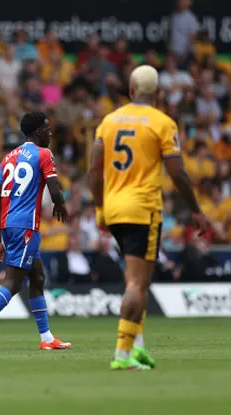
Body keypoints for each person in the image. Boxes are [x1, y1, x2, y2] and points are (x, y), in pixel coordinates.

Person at [88, 65, 209, 371]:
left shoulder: (108, 121)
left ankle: (138, 347)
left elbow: (93, 170)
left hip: (114, 208)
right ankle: (122, 354)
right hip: (142, 209)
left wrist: (100, 209)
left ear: (130, 89)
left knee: (137, 281)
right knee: (137, 283)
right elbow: (177, 172)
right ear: (158, 93)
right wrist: (195, 208)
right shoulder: (162, 122)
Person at [0, 112, 71, 352]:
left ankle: (46, 337)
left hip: (10, 224)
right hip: (26, 226)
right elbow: (54, 187)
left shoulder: (8, 158)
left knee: (37, 275)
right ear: (37, 132)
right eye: (47, 128)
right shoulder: (44, 154)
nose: (50, 133)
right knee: (13, 282)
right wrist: (61, 204)